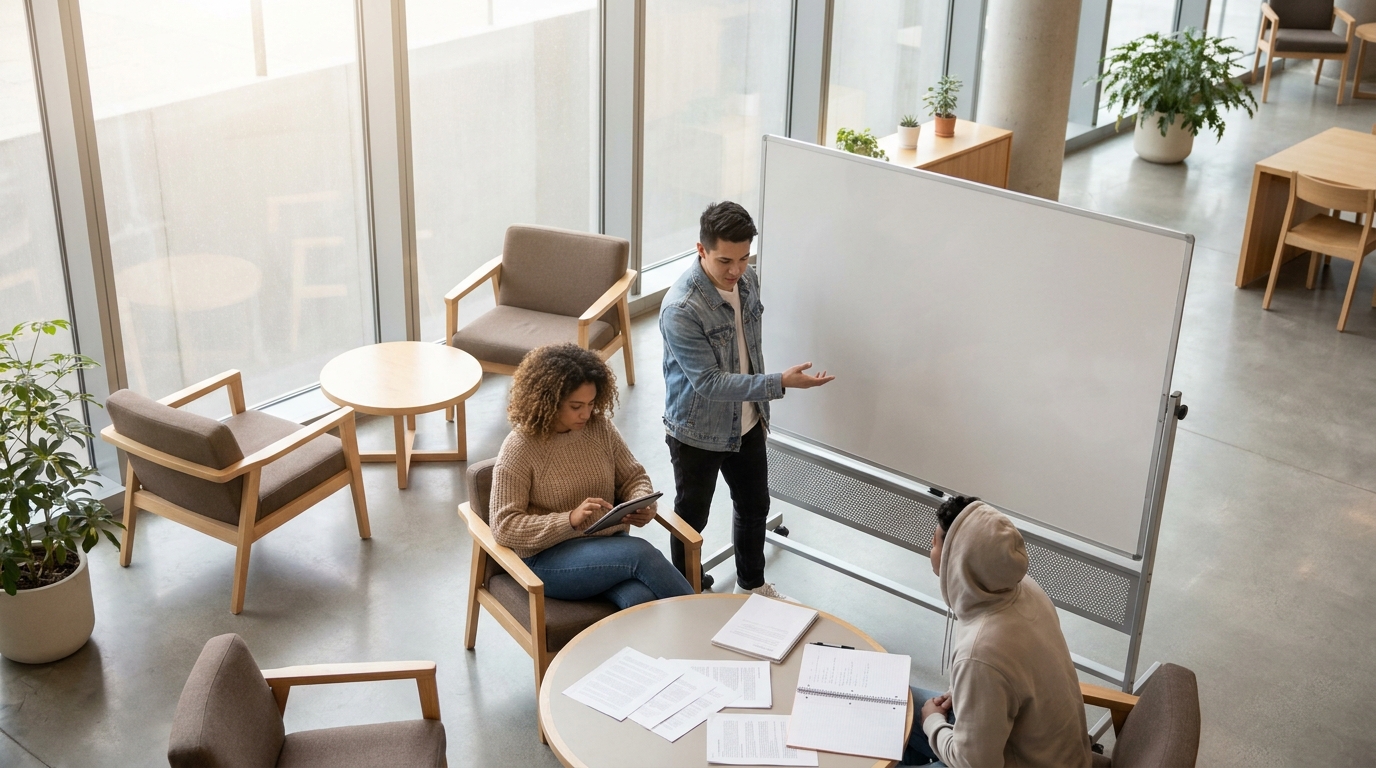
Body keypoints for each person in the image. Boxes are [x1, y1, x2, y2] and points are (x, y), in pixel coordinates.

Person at [659, 201, 835, 598]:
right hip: (698, 431)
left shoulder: (747, 281)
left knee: (755, 506)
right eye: (725, 260)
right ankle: (686, 594)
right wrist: (779, 383)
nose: (735, 270)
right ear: (701, 249)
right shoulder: (681, 309)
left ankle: (752, 587)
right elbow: (709, 383)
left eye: (743, 258)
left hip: (749, 419)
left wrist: (763, 396)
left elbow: (747, 347)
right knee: (691, 520)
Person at [489, 343, 694, 609]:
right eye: (576, 406)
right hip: (548, 559)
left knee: (640, 602)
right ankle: (707, 623)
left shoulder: (600, 428)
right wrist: (568, 520)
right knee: (642, 554)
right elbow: (503, 525)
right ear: (549, 401)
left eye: (591, 403)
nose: (586, 414)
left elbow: (634, 477)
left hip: (608, 546)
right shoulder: (520, 447)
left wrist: (643, 504)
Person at [903, 495, 1093, 767]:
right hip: (1051, 750)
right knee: (895, 700)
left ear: (954, 559)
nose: (930, 549)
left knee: (895, 717)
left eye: (934, 543)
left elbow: (974, 764)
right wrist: (962, 692)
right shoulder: (1025, 588)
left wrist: (932, 721)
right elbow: (1014, 678)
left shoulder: (980, 653)